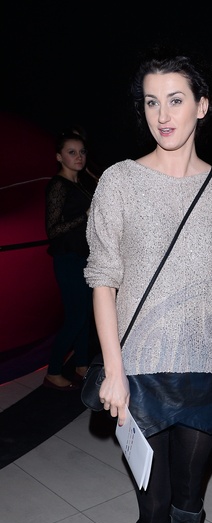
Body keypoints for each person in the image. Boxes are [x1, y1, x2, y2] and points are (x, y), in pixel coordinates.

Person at [84, 47, 212, 523]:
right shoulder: (119, 181)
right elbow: (103, 280)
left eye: (176, 100)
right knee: (153, 501)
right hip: (140, 371)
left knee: (190, 498)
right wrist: (114, 370)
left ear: (202, 107)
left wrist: (188, 300)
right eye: (152, 102)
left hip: (205, 366)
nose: (163, 114)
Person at [44, 130, 96, 390]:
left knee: (85, 315)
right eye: (71, 152)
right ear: (59, 157)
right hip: (68, 259)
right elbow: (53, 230)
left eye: (82, 152)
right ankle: (53, 371)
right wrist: (85, 215)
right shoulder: (58, 185)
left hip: (84, 258)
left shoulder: (81, 184)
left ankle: (81, 365)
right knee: (76, 317)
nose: (79, 157)